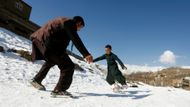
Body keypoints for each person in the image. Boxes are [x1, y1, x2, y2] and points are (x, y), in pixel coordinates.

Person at [30, 16, 93, 96]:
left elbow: (61, 40)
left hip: (41, 41)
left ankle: (36, 80)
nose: (79, 30)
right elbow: (75, 38)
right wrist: (86, 54)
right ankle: (59, 90)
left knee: (51, 61)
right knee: (68, 66)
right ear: (79, 23)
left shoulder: (63, 22)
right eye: (80, 27)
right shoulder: (70, 23)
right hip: (49, 43)